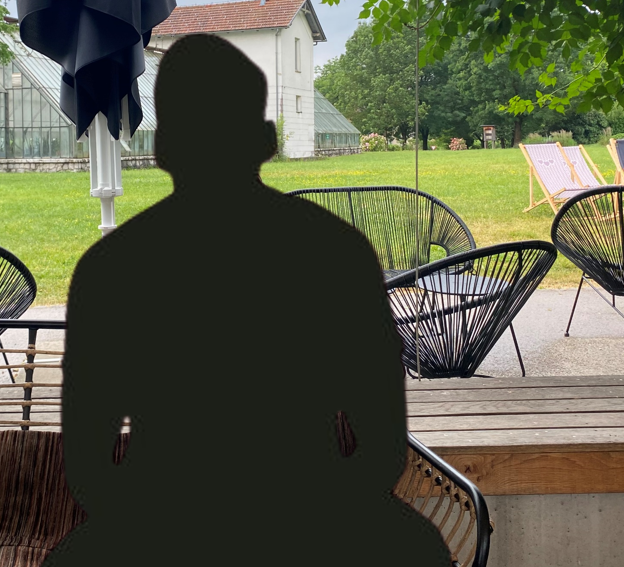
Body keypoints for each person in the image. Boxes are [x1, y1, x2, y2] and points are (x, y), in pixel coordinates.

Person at [45, 34, 450, 566]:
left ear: (164, 148)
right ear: (264, 140)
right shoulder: (338, 253)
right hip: (320, 515)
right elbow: (383, 449)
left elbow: (89, 470)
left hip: (157, 522)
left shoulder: (109, 270)